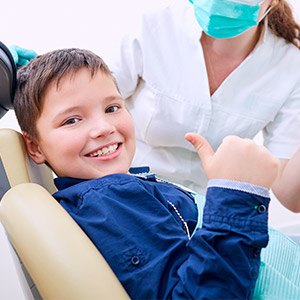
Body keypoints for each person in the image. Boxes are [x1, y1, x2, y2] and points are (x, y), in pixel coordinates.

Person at [13, 48, 280, 299]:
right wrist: (237, 193)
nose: (103, 128)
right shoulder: (110, 201)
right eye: (72, 120)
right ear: (35, 146)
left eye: (112, 108)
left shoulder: (114, 191)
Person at [104, 0, 300, 212]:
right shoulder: (154, 26)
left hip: (208, 212)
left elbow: (290, 197)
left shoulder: (289, 64)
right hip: (128, 193)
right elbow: (92, 108)